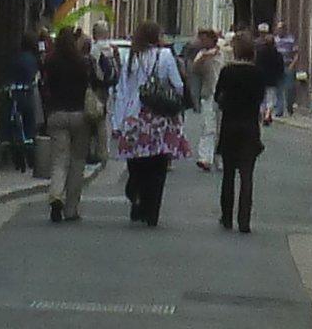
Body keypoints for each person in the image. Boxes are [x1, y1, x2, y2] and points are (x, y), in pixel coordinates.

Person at [109, 21, 191, 227]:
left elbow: (122, 90)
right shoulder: (165, 55)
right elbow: (178, 85)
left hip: (135, 115)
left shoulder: (131, 57)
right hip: (160, 117)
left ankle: (135, 192)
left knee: (136, 161)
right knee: (158, 165)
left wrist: (117, 122)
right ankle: (152, 210)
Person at [214, 32, 265, 233]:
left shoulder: (227, 71)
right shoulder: (258, 73)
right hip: (249, 126)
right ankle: (244, 220)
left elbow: (218, 96)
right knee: (247, 175)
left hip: (230, 125)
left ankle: (226, 217)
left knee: (228, 174)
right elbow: (260, 98)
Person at [45, 28, 92, 222]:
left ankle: (56, 194)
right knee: (77, 162)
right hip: (79, 115)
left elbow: (46, 87)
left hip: (57, 113)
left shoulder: (51, 61)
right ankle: (71, 209)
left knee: (59, 160)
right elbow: (89, 85)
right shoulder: (82, 63)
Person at [7, 32, 42, 172]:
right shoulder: (33, 59)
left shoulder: (16, 58)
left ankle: (18, 157)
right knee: (29, 126)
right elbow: (35, 77)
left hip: (15, 94)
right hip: (28, 93)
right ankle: (31, 158)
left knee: (16, 125)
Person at [191, 29, 223, 171]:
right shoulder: (201, 54)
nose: (201, 42)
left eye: (204, 39)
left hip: (224, 95)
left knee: (221, 128)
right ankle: (205, 158)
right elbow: (195, 70)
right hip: (209, 93)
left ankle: (220, 158)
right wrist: (204, 57)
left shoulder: (223, 52)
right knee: (208, 126)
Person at [88, 21, 120, 163]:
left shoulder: (94, 49)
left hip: (96, 88)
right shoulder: (111, 49)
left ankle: (95, 151)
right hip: (107, 88)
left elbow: (92, 68)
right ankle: (103, 150)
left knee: (94, 117)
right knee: (104, 119)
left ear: (95, 34)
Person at [254, 24, 284, 126]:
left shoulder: (259, 53)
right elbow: (280, 67)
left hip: (261, 78)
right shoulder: (277, 54)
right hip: (272, 79)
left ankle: (262, 114)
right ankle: (267, 115)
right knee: (271, 98)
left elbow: (256, 64)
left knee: (262, 98)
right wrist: (279, 76)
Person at [274, 22, 298, 116]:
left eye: (281, 29)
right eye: (278, 29)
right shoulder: (275, 40)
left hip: (288, 65)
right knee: (278, 89)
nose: (279, 30)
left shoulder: (291, 39)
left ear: (285, 29)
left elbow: (296, 54)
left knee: (289, 87)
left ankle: (289, 106)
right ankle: (279, 110)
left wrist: (292, 64)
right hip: (278, 66)